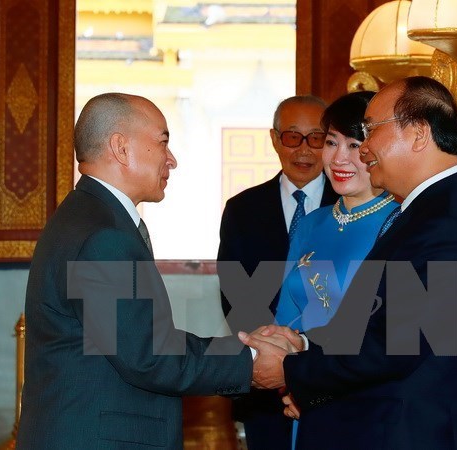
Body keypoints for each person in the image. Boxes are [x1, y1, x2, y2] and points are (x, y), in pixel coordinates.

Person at [17, 93, 299, 450]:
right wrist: (251, 362)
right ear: (121, 148)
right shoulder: (103, 235)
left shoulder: (88, 216)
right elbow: (148, 355)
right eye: (163, 142)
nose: (172, 159)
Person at [241, 76, 457, 449]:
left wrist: (290, 369)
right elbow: (374, 324)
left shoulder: (444, 224)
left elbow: (395, 346)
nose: (365, 149)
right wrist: (304, 344)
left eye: (371, 130)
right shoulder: (426, 211)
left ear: (418, 134)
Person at [217, 94, 339, 450]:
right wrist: (276, 356)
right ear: (274, 139)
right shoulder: (242, 209)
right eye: (292, 136)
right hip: (265, 384)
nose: (304, 149)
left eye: (317, 138)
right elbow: (236, 297)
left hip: (332, 376)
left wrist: (308, 358)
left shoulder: (353, 205)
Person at [275, 90, 399, 332]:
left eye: (354, 145)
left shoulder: (401, 222)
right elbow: (285, 316)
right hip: (300, 366)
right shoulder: (310, 223)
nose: (338, 158)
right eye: (331, 142)